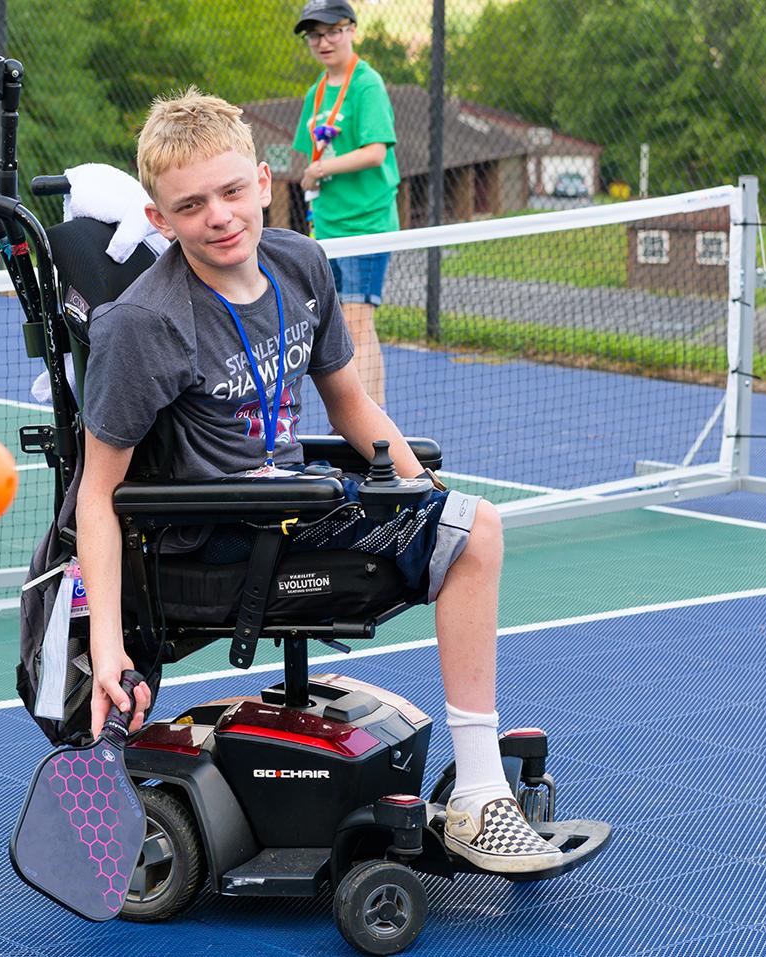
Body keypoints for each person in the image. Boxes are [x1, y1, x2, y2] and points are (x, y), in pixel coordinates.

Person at [76, 87, 562, 875]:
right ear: (160, 220)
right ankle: (479, 796)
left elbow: (350, 403)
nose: (220, 216)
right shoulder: (144, 323)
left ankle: (478, 788)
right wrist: (107, 648)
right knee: (478, 531)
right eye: (191, 205)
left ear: (265, 182)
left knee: (465, 525)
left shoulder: (300, 264)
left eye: (232, 191)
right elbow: (99, 494)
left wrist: (425, 496)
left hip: (296, 507)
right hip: (223, 540)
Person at [292, 0, 398, 412]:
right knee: (341, 327)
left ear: (351, 29)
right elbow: (311, 154)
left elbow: (375, 152)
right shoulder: (316, 92)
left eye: (332, 32)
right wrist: (312, 174)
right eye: (315, 36)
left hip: (366, 223)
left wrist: (320, 169)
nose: (323, 42)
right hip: (328, 227)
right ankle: (362, 422)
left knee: (357, 321)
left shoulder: (367, 85)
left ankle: (373, 425)